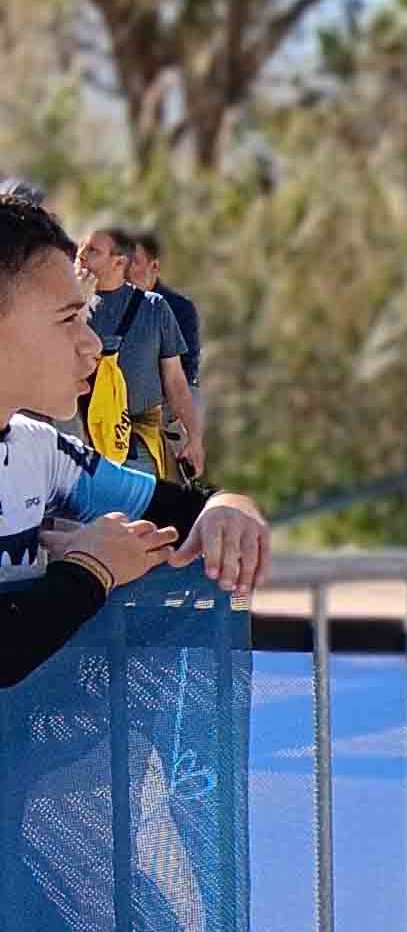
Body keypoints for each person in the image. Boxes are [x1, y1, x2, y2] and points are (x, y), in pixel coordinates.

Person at [0, 197, 272, 686]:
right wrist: (92, 569)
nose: (92, 345)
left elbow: (184, 507)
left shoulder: (39, 450)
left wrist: (229, 508)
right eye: (68, 320)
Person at [75, 224, 202, 481]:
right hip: (84, 444)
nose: (81, 255)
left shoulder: (154, 307)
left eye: (93, 250)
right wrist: (76, 304)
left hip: (140, 446)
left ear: (118, 261)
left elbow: (175, 381)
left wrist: (195, 438)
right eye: (80, 248)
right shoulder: (67, 308)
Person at [127, 232, 200, 392]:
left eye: (134, 262)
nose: (126, 269)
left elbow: (187, 369)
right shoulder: (107, 303)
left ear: (154, 266)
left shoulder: (180, 308)